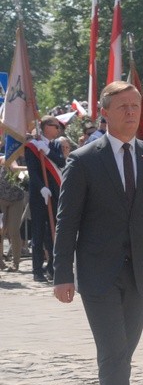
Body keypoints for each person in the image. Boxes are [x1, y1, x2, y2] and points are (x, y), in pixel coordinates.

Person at [52, 81, 143, 385]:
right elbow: (67, 222)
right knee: (113, 354)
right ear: (104, 112)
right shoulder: (83, 160)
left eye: (136, 106)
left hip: (140, 273)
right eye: (122, 106)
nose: (130, 112)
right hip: (97, 275)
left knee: (119, 359)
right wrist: (62, 275)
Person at [25, 115, 65, 282]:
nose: (58, 129)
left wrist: (48, 151)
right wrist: (41, 187)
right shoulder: (31, 147)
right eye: (55, 126)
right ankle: (37, 270)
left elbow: (61, 162)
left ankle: (52, 268)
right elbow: (32, 172)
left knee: (54, 232)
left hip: (55, 194)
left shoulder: (54, 145)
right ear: (46, 126)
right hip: (39, 194)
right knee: (38, 232)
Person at [0, 155, 27, 272]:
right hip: (1, 198)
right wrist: (29, 168)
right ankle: (0, 262)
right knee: (1, 230)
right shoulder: (6, 157)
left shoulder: (25, 159)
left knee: (14, 231)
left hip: (17, 199)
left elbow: (21, 180)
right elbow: (14, 167)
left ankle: (15, 263)